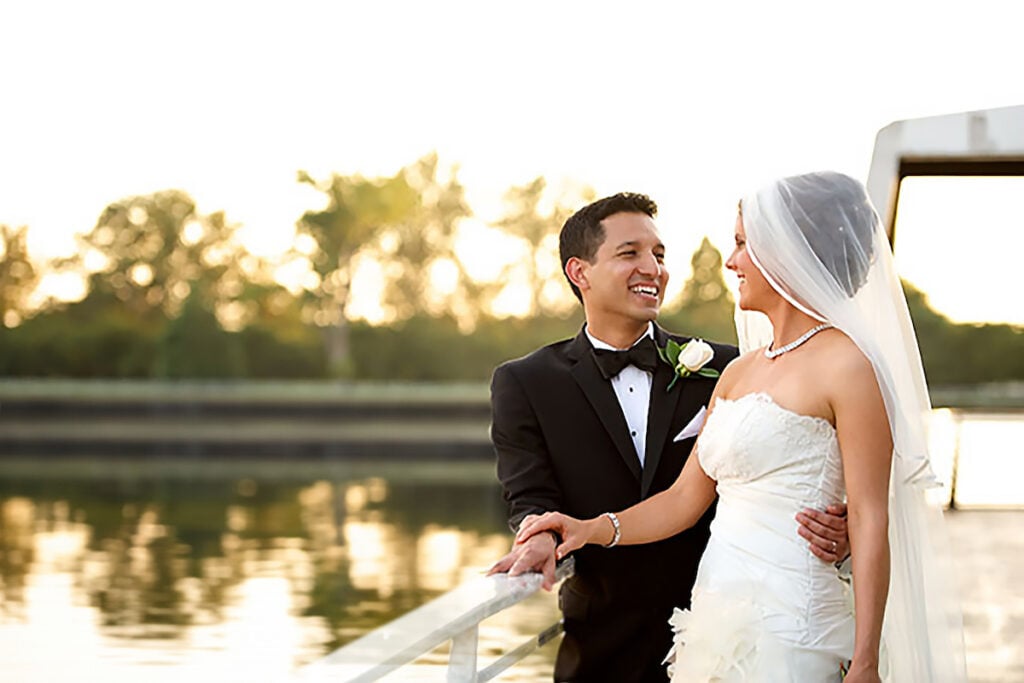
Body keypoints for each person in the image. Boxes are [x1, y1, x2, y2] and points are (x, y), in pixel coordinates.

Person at [516, 173, 967, 682]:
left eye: (741, 245)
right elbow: (684, 500)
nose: (730, 261)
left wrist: (864, 661)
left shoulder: (848, 367)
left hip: (794, 629)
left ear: (786, 253)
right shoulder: (737, 371)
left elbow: (868, 515)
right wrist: (589, 528)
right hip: (713, 623)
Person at [487, 192, 851, 682]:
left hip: (736, 629)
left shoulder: (730, 368)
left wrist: (844, 526)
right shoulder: (526, 382)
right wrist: (541, 536)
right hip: (601, 642)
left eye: (659, 255)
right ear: (580, 272)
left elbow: (817, 460)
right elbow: (531, 492)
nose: (652, 268)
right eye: (630, 253)